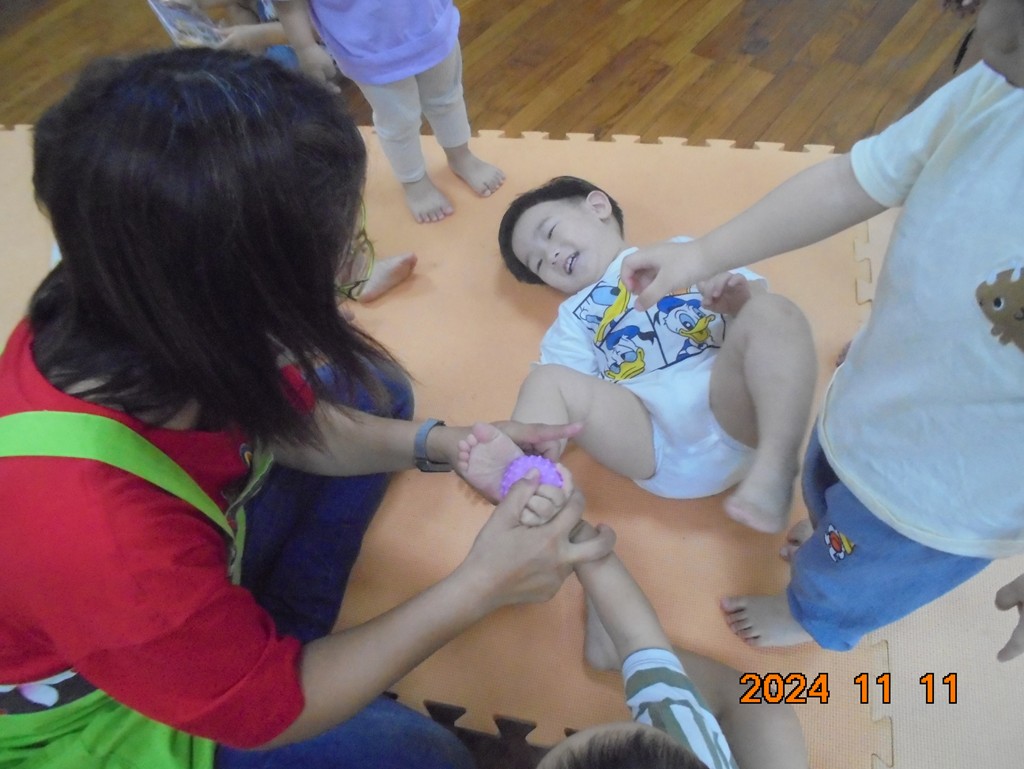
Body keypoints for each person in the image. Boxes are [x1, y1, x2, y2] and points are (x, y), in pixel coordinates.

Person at [0, 48, 615, 769]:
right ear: (234, 306)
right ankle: (287, 656)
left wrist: (444, 444)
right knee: (419, 756)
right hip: (101, 706)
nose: (352, 279)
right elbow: (266, 716)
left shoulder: (129, 298)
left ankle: (288, 639)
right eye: (341, 261)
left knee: (374, 392)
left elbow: (282, 423)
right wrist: (480, 585)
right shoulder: (104, 540)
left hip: (173, 591)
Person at [618, 0, 1024, 656]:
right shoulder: (993, 87)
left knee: (855, 576)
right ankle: (832, 534)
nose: (995, 38)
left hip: (942, 502)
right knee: (826, 489)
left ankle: (813, 614)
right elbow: (849, 181)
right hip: (870, 398)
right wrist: (704, 253)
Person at [479, 176, 818, 535]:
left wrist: (739, 303)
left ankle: (777, 464)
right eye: (539, 264)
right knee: (546, 380)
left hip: (733, 408)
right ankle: (529, 487)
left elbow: (757, 322)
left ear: (597, 207)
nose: (551, 256)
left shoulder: (681, 252)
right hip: (650, 439)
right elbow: (563, 401)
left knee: (774, 312)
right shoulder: (573, 317)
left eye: (550, 233)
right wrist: (547, 437)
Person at [535, 521, 809, 769]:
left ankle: (612, 650)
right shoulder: (685, 737)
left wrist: (579, 537)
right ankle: (612, 650)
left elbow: (638, 639)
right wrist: (579, 534)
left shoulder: (675, 745)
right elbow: (638, 639)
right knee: (763, 703)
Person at [275, 0, 505, 223]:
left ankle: (461, 156)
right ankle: (414, 182)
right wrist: (305, 47)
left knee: (447, 98)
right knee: (398, 122)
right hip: (368, 48)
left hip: (431, 23)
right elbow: (288, 4)